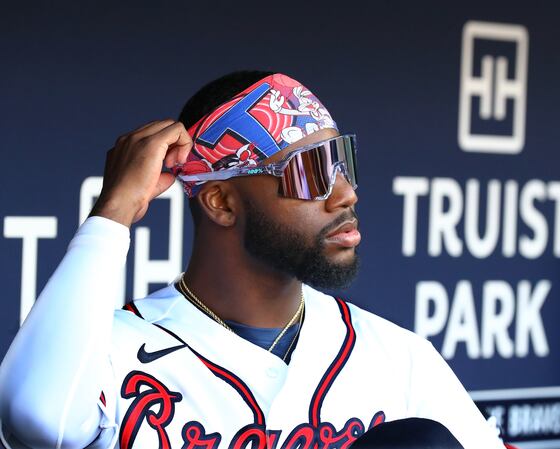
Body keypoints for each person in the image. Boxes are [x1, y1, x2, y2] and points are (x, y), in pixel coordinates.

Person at [0, 71, 506, 449]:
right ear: (221, 202)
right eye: (311, 173)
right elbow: (43, 419)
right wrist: (114, 213)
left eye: (342, 162)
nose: (345, 193)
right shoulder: (108, 353)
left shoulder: (399, 357)